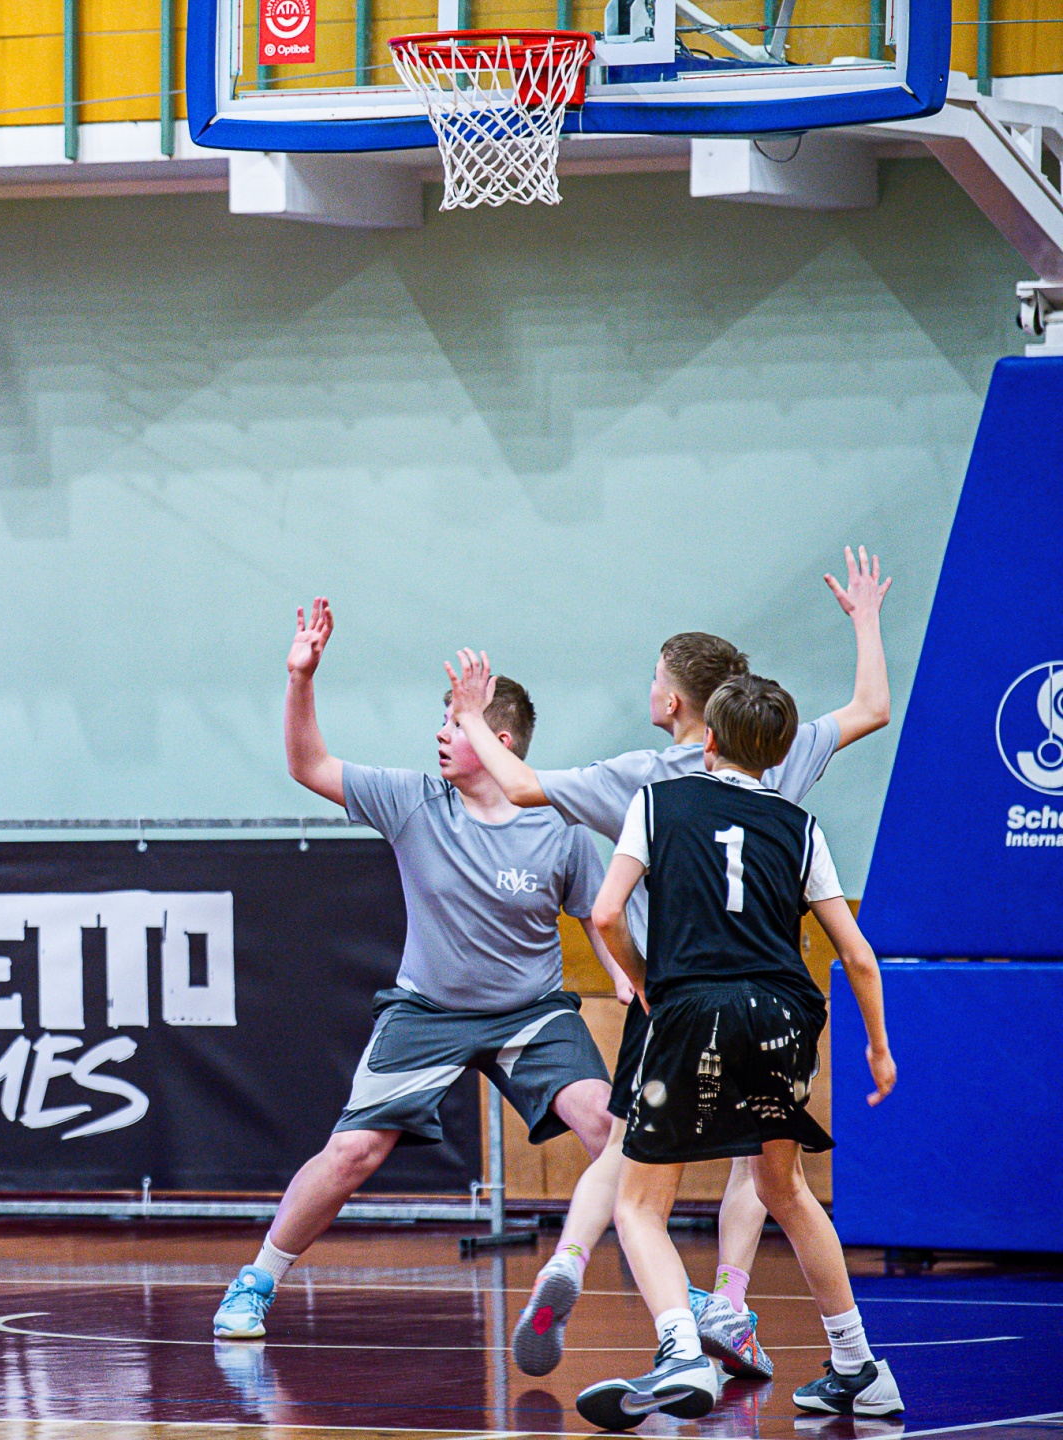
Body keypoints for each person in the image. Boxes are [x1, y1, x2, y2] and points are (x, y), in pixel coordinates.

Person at [446, 546, 891, 1379]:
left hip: (679, 1001)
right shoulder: (778, 759)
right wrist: (866, 619)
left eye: (655, 676)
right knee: (772, 1175)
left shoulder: (646, 785)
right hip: (776, 996)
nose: (648, 687)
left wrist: (472, 717)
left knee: (634, 1171)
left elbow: (524, 790)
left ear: (682, 705)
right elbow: (872, 707)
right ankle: (742, 1306)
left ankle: (591, 1276)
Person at [212, 597, 630, 1341]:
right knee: (352, 1152)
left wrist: (625, 973)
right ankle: (256, 1282)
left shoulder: (559, 826)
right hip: (428, 1011)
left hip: (530, 1013)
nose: (439, 734)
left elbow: (599, 914)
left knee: (607, 1126)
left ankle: (669, 1292)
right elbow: (308, 765)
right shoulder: (413, 801)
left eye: (454, 723)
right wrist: (300, 678)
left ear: (497, 740)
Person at [576, 674, 901, 1429]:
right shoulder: (800, 825)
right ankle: (859, 1367)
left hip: (693, 1008)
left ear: (710, 740)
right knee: (784, 1190)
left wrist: (642, 979)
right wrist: (879, 1048)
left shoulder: (658, 802)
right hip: (784, 1016)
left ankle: (680, 1350)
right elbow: (856, 955)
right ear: (778, 754)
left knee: (638, 1204)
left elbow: (606, 912)